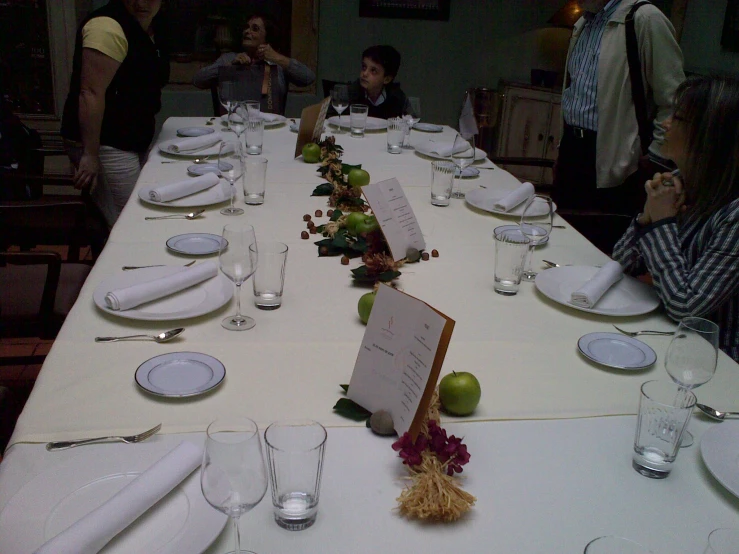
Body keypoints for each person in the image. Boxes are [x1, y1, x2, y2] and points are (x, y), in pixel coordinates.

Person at [612, 75, 739, 362]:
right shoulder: (683, 183)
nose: (666, 124)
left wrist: (661, 224)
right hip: (666, 338)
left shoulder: (734, 214)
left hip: (717, 364)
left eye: (677, 118)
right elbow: (621, 261)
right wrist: (648, 217)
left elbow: (685, 305)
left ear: (709, 135)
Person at [553, 0, 685, 229]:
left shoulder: (644, 19)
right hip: (573, 148)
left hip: (617, 157)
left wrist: (653, 157)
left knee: (598, 244)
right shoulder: (584, 22)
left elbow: (675, 102)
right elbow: (575, 93)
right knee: (561, 233)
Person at [61, 0, 169, 228]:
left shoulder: (151, 27)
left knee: (140, 210)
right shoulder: (107, 25)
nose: (142, 3)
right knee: (130, 220)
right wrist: (90, 155)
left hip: (131, 137)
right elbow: (90, 92)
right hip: (105, 140)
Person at [192, 14, 315, 115]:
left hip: (270, 130)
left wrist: (277, 57)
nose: (247, 31)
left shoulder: (277, 64)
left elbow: (308, 78)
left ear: (267, 37)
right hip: (233, 128)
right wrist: (229, 67)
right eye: (246, 28)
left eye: (254, 29)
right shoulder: (229, 58)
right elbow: (198, 80)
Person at [345, 45, 407, 119]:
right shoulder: (349, 93)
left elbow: (410, 122)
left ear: (387, 79)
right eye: (364, 67)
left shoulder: (397, 98)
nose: (365, 74)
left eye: (373, 71)